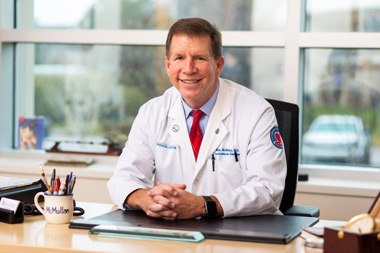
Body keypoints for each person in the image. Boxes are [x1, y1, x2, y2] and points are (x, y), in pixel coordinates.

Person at [107, 17, 286, 220]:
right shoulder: (151, 112)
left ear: (218, 65)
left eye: (199, 58)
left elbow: (268, 190)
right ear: (168, 65)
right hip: (171, 234)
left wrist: (203, 205)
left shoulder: (256, 112)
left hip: (239, 233)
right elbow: (122, 179)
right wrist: (147, 200)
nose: (188, 68)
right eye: (179, 58)